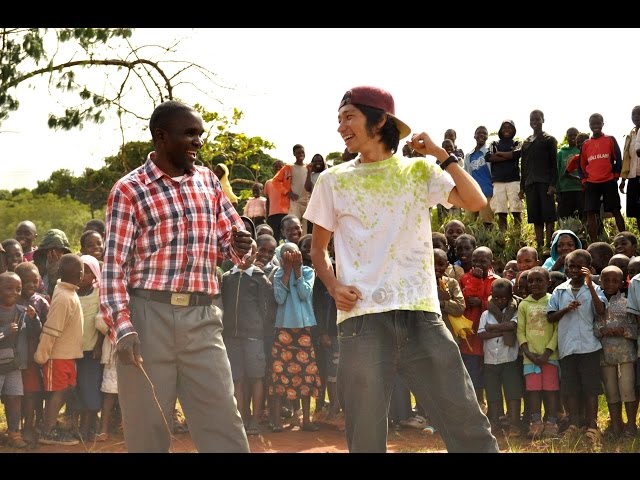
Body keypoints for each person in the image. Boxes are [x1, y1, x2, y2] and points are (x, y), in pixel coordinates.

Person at [304, 85, 498, 453]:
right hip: (362, 320)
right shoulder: (332, 180)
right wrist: (332, 286)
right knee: (365, 437)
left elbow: (476, 201)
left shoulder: (419, 171)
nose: (341, 127)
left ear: (380, 121)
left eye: (349, 117)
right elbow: (318, 249)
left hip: (421, 315)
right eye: (339, 119)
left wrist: (442, 154)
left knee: (466, 422)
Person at [100, 100, 253, 453]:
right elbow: (113, 267)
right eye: (189, 134)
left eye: (200, 134)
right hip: (147, 317)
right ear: (161, 136)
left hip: (203, 316)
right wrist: (123, 328)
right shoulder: (129, 189)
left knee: (223, 423)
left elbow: (229, 249)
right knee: (147, 429)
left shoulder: (209, 183)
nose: (198, 141)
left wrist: (239, 244)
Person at [547, 249, 606, 445]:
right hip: (567, 347)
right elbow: (550, 316)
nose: (573, 270)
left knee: (590, 388)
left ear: (588, 269)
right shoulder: (559, 290)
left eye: (578, 267)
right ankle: (574, 424)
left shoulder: (595, 289)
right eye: (569, 266)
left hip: (589, 346)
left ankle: (591, 425)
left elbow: (600, 311)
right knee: (570, 388)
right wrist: (566, 309)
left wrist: (590, 286)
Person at [221, 239, 274, 437]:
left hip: (254, 337)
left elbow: (266, 309)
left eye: (249, 253)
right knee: (237, 379)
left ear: (254, 255)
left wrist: (261, 332)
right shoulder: (227, 277)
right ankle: (242, 418)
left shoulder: (260, 278)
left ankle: (255, 419)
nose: (244, 257)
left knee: (256, 377)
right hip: (232, 336)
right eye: (240, 253)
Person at [34, 254, 85, 446]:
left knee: (66, 389)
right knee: (59, 391)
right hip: (57, 356)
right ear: (80, 275)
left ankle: (49, 423)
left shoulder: (68, 293)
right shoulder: (64, 297)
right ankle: (47, 431)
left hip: (68, 356)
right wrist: (42, 354)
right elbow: (52, 329)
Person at [595, 265, 638, 439]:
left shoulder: (627, 302)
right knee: (611, 392)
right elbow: (591, 325)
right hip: (605, 356)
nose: (610, 284)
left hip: (626, 355)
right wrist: (601, 330)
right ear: (600, 281)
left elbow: (635, 327)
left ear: (622, 283)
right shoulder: (596, 302)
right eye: (606, 280)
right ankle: (616, 425)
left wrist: (624, 330)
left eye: (615, 281)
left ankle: (631, 425)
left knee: (627, 390)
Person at [517, 267, 560, 439]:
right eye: (531, 281)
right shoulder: (524, 305)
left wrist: (547, 352)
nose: (534, 284)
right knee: (533, 391)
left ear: (548, 283)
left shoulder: (553, 301)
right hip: (530, 359)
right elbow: (520, 331)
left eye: (539, 280)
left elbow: (557, 330)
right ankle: (535, 422)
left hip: (550, 357)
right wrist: (528, 353)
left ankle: (551, 422)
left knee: (550, 391)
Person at [0, 272, 41, 448]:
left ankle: (14, 432)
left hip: (14, 365)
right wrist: (4, 332)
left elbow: (35, 334)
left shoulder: (22, 311)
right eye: (9, 288)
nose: (14, 292)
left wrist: (34, 319)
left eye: (18, 289)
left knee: (15, 397)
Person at [478, 278, 522, 437]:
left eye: (503, 298)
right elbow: (482, 334)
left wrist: (492, 328)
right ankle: (495, 424)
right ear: (491, 296)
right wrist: (502, 331)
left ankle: (514, 424)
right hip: (490, 361)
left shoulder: (516, 312)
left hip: (509, 359)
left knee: (513, 393)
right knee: (493, 393)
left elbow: (513, 326)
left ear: (510, 297)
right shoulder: (485, 314)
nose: (499, 301)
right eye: (496, 297)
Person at [14, 261, 49, 444]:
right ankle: (15, 429)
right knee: (14, 394)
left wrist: (34, 318)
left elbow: (45, 331)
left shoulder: (41, 302)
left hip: (31, 357)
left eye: (34, 281)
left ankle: (28, 427)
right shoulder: (10, 300)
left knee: (30, 393)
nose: (30, 285)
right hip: (13, 357)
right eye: (25, 281)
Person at [520, 110, 558, 251]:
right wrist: (522, 187)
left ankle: (549, 244)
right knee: (535, 216)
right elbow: (523, 166)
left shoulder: (549, 140)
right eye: (532, 119)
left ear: (543, 120)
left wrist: (553, 185)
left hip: (545, 182)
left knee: (548, 215)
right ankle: (539, 244)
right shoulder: (526, 142)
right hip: (530, 183)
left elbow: (554, 164)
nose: (534, 121)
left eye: (537, 119)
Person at [485, 120, 523, 231]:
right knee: (501, 211)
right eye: (504, 127)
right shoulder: (494, 144)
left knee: (516, 210)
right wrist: (509, 156)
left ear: (514, 130)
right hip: (498, 182)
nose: (507, 129)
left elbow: (516, 154)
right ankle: (503, 235)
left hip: (514, 180)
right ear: (501, 130)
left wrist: (499, 154)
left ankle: (517, 234)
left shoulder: (517, 143)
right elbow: (489, 157)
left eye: (509, 127)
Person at [273, 144, 310, 233]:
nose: (301, 154)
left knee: (304, 229)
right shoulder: (288, 168)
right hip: (295, 202)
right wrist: (288, 193)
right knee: (294, 226)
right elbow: (275, 181)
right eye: (298, 153)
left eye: (302, 152)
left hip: (307, 202)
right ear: (294, 154)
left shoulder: (309, 167)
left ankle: (302, 246)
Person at [463, 126, 494, 228]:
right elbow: (466, 174)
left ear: (487, 136)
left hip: (487, 191)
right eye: (479, 133)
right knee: (468, 222)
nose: (482, 135)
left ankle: (487, 242)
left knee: (487, 221)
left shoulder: (490, 151)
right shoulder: (468, 156)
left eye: (484, 133)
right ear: (474, 136)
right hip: (473, 192)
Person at [32, 229, 72, 300]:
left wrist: (54, 271)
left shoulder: (70, 270)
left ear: (64, 252)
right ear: (44, 251)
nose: (54, 253)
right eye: (50, 249)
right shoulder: (34, 267)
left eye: (57, 249)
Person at [556, 127, 584, 220]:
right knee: (565, 217)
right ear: (566, 137)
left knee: (582, 215)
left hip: (581, 189)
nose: (573, 137)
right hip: (565, 189)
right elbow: (557, 171)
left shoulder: (582, 150)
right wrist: (558, 192)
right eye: (570, 135)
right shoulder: (561, 153)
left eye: (575, 135)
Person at [619, 106, 640, 226]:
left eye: (639, 114)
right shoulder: (630, 136)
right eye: (634, 114)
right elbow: (626, 159)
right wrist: (623, 180)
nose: (636, 116)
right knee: (637, 211)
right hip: (633, 177)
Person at [264, 160, 288, 242]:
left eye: (280, 167)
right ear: (272, 169)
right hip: (272, 216)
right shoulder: (268, 183)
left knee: (287, 238)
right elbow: (268, 201)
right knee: (274, 238)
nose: (278, 169)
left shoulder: (288, 182)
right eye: (276, 167)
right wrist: (267, 216)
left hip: (286, 214)